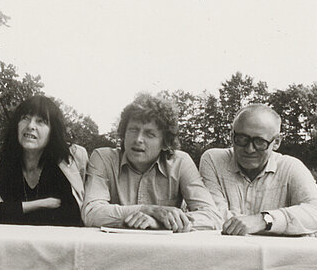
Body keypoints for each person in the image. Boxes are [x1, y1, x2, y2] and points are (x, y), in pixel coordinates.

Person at [199, 103, 317, 270]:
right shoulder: (213, 160)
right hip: (226, 268)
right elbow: (214, 216)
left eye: (260, 142)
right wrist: (291, 226)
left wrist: (264, 220)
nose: (249, 148)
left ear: (276, 142)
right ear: (231, 135)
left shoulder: (291, 167)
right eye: (241, 139)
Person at [82, 93, 222, 232]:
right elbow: (91, 213)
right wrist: (148, 210)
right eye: (133, 130)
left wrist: (159, 222)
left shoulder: (180, 163)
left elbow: (212, 216)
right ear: (123, 133)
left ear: (165, 143)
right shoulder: (103, 158)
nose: (138, 139)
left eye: (150, 134)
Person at [0, 95, 87, 226]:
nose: (30, 126)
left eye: (40, 121)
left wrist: (4, 208)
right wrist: (40, 204)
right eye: (25, 118)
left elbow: (70, 217)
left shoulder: (63, 164)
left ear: (53, 131)